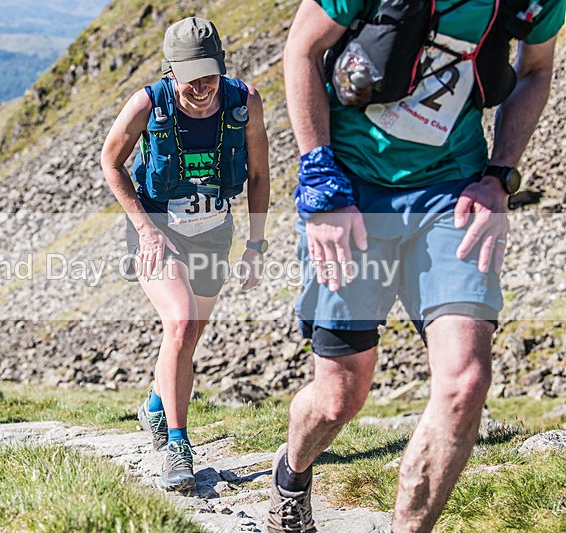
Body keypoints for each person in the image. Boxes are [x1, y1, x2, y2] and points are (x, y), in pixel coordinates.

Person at [271, 1, 565, 532]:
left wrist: (499, 175)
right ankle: (292, 475)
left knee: (465, 382)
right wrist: (319, 178)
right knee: (340, 395)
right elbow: (302, 48)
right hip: (351, 191)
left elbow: (536, 68)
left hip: (454, 193)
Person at [101, 17, 270, 492]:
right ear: (170, 69)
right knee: (179, 323)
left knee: (189, 338)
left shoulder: (244, 102)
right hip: (158, 231)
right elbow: (110, 162)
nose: (200, 87)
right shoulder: (147, 104)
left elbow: (258, 177)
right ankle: (177, 444)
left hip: (215, 232)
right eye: (190, 76)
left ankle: (155, 405)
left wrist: (255, 244)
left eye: (209, 75)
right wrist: (144, 230)